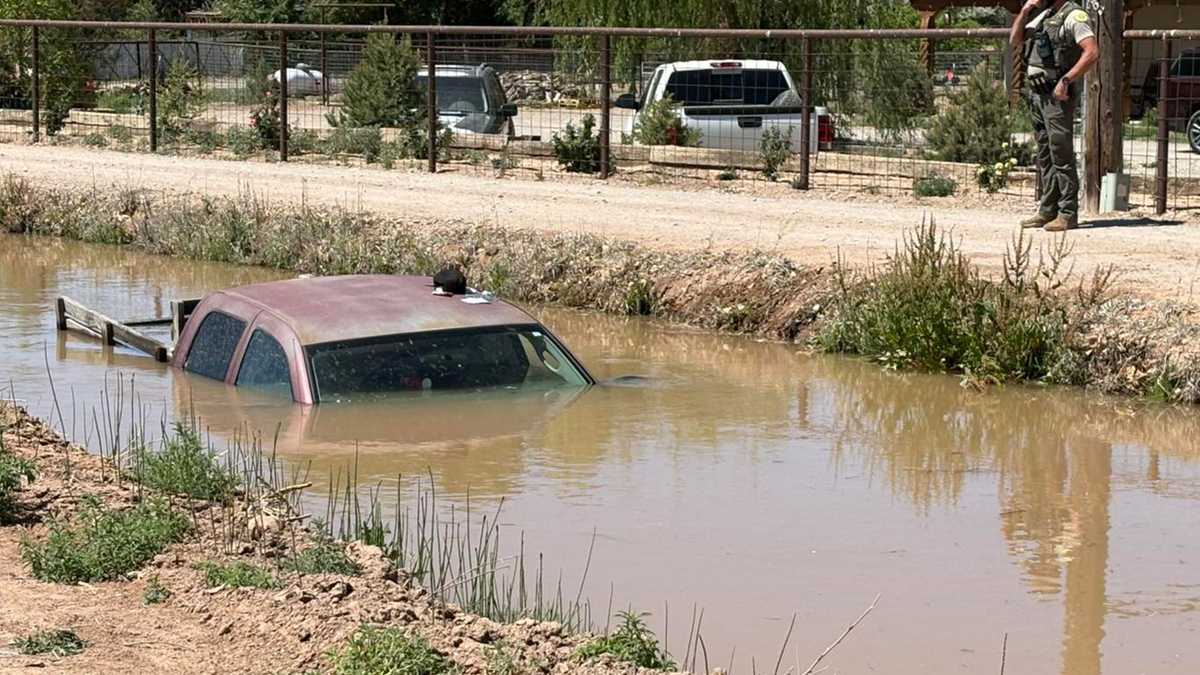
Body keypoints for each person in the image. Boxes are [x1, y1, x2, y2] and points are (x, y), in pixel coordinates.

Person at [1010, 0, 1099, 232]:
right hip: (1038, 95)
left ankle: (1068, 213)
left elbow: (1091, 52)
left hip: (1057, 96)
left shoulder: (1074, 16)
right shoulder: (1045, 15)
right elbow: (1015, 40)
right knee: (1045, 153)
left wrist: (1066, 80)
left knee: (1061, 151)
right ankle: (1048, 209)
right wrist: (1025, 10)